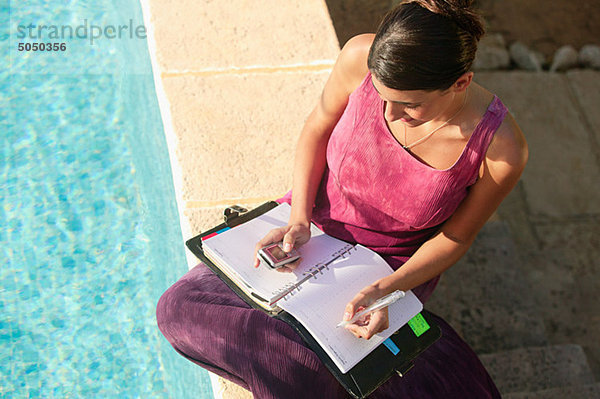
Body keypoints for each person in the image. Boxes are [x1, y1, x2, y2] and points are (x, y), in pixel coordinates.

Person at [156, 0, 528, 397]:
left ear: (461, 83)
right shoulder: (358, 58)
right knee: (178, 310)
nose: (390, 113)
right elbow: (317, 128)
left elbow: (455, 237)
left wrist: (390, 288)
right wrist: (298, 216)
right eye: (384, 97)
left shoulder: (501, 150)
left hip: (390, 266)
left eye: (411, 105)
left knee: (300, 369)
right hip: (313, 227)